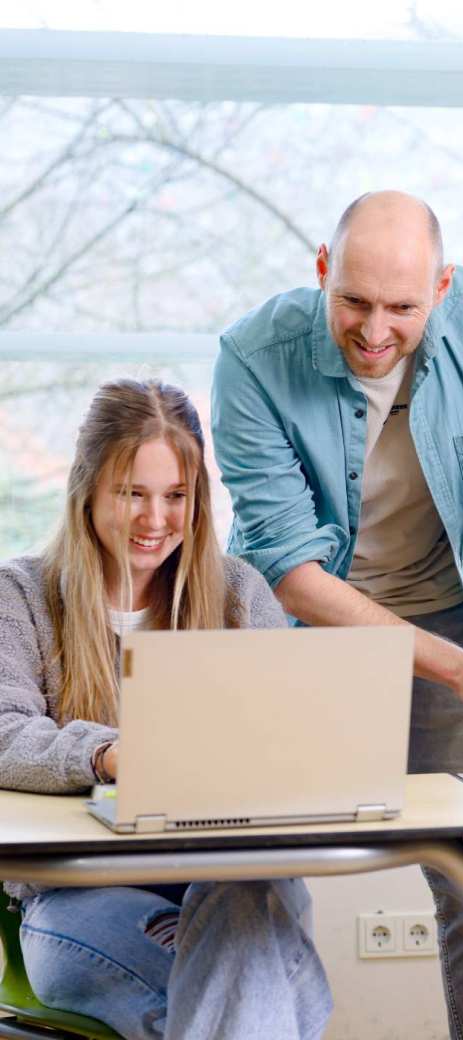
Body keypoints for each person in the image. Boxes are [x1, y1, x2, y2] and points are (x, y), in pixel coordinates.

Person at [211, 189, 463, 1035]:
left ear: (443, 288)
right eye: (354, 302)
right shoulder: (253, 355)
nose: (376, 331)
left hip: (441, 609)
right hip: (297, 633)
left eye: (403, 308)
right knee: (247, 866)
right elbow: (292, 572)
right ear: (321, 272)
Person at [0, 379, 331, 1040]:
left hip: (236, 880)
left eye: (176, 496)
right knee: (265, 1002)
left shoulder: (239, 594)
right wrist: (108, 752)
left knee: (224, 971)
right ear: (88, 488)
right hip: (80, 895)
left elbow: (287, 742)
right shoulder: (22, 594)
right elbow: (4, 731)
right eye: (132, 494)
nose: (156, 520)